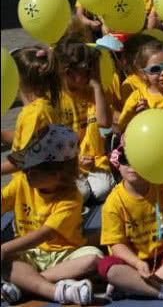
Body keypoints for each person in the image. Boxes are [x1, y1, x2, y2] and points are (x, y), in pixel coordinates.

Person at [1, 125, 103, 305]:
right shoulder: (22, 184)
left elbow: (44, 235)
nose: (25, 173)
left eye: (31, 171)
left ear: (58, 175)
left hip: (63, 254)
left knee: (94, 258)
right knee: (7, 261)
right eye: (24, 168)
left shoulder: (71, 198)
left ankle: (30, 285)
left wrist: (3, 249)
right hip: (29, 255)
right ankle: (56, 288)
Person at [98, 146, 163, 300]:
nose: (132, 165)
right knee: (107, 266)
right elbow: (116, 245)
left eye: (138, 159)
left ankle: (134, 286)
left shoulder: (162, 186)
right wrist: (137, 263)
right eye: (125, 159)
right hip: (132, 263)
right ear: (117, 164)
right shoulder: (113, 203)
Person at [55, 39, 115, 204]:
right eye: (88, 71)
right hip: (67, 161)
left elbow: (105, 122)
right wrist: (75, 159)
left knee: (103, 190)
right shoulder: (55, 98)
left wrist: (97, 86)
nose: (93, 75)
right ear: (68, 73)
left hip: (94, 159)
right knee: (81, 193)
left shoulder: (93, 92)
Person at [0, 47, 61, 175]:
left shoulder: (35, 114)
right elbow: (24, 140)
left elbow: (24, 159)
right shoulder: (41, 106)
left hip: (31, 186)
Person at [117, 40, 163, 133]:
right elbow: (121, 126)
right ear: (143, 73)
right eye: (155, 69)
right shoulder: (137, 98)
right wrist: (135, 116)